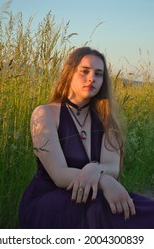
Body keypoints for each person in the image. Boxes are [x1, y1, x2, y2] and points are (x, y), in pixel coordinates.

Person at [19, 47, 154, 228]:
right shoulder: (45, 114)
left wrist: (94, 170)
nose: (92, 78)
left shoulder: (105, 118)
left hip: (93, 195)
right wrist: (103, 178)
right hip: (49, 197)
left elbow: (113, 166)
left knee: (139, 210)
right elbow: (59, 174)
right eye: (85, 71)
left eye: (98, 74)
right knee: (101, 211)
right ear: (69, 73)